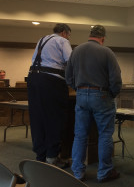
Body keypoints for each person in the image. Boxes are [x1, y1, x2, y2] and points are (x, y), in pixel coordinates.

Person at [65, 25, 122, 183]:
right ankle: (104, 172)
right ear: (102, 38)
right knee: (104, 134)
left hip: (81, 95)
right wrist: (112, 93)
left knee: (80, 135)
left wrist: (78, 88)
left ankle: (77, 172)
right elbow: (116, 79)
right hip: (101, 96)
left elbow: (68, 75)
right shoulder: (106, 52)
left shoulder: (76, 50)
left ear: (90, 35)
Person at [27, 23, 72, 168]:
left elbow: (34, 59)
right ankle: (52, 157)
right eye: (69, 35)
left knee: (37, 118)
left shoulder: (42, 39)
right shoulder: (62, 41)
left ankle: (40, 155)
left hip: (33, 80)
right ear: (64, 32)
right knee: (54, 117)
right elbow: (70, 62)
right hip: (51, 82)